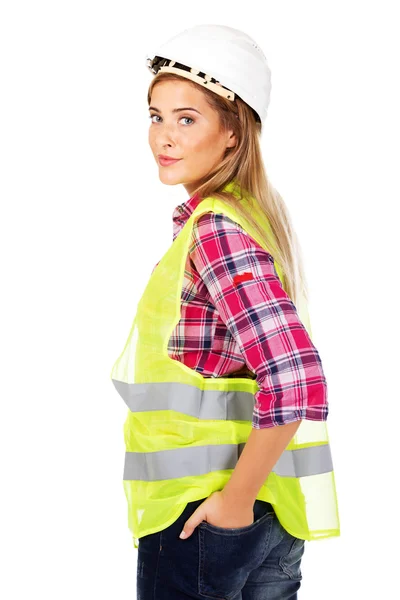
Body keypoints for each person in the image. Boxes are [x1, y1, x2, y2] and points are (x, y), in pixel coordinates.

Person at [111, 23, 340, 600]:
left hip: (207, 518)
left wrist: (233, 502)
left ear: (233, 134)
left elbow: (295, 377)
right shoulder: (249, 218)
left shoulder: (216, 229)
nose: (164, 136)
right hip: (267, 518)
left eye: (187, 118)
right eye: (156, 115)